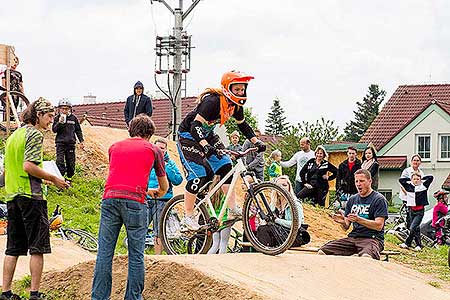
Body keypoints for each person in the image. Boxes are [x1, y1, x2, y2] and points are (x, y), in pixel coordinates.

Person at [176, 71, 266, 231]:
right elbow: (195, 126)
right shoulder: (212, 101)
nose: (240, 93)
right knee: (198, 175)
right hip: (188, 135)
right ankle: (187, 216)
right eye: (236, 89)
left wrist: (256, 141)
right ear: (227, 88)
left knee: (226, 166)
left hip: (208, 134)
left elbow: (243, 126)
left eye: (242, 90)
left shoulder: (236, 106)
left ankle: (232, 209)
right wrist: (204, 145)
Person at [91, 114, 168, 300]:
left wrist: (144, 189)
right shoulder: (153, 149)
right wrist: (156, 191)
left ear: (130, 130)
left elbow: (122, 175)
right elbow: (164, 186)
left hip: (110, 198)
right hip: (135, 202)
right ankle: (133, 297)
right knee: (136, 254)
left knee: (104, 252)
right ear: (150, 134)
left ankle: (99, 297)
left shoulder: (114, 147)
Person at [1, 98, 69, 300]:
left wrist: (42, 179)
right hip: (31, 198)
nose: (51, 121)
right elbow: (29, 166)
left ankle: (5, 292)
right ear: (38, 115)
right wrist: (54, 178)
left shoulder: (14, 136)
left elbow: (6, 173)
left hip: (12, 197)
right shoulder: (34, 135)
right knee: (37, 248)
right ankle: (35, 294)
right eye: (49, 116)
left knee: (12, 248)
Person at [319, 169, 388, 260]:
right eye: (356, 181)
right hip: (353, 238)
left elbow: (379, 226)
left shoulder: (379, 199)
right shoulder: (352, 199)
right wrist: (342, 222)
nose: (358, 184)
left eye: (362, 181)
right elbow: (346, 227)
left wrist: (359, 219)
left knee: (366, 258)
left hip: (372, 239)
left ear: (370, 181)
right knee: (322, 252)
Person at [146, 138, 183, 255]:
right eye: (157, 148)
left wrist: (166, 168)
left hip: (163, 200)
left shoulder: (170, 163)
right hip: (146, 199)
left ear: (166, 150)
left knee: (159, 230)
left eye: (162, 148)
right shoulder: (147, 161)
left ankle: (158, 257)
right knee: (140, 227)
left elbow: (178, 180)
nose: (160, 150)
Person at [256, 175, 310, 247]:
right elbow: (268, 218)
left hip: (294, 235)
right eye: (278, 185)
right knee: (257, 230)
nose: (281, 187)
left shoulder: (295, 204)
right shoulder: (274, 204)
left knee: (263, 230)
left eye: (284, 185)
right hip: (280, 233)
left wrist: (277, 220)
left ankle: (264, 252)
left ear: (289, 188)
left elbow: (297, 225)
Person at [398, 173, 433, 251]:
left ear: (420, 180)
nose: (416, 181)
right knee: (416, 228)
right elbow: (401, 180)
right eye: (414, 179)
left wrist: (422, 178)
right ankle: (418, 245)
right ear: (411, 180)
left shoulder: (423, 187)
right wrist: (410, 179)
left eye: (417, 179)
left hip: (419, 211)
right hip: (411, 210)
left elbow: (430, 177)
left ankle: (407, 243)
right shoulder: (409, 187)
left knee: (412, 228)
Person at [52, 99, 84, 183]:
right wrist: (59, 123)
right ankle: (60, 178)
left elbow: (78, 130)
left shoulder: (73, 118)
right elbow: (54, 130)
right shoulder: (57, 118)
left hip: (70, 144)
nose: (64, 110)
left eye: (66, 109)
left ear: (70, 109)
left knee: (71, 163)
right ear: (59, 109)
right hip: (60, 143)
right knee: (60, 161)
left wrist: (81, 141)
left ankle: (69, 177)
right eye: (62, 108)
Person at [207, 189, 231, 254]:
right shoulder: (225, 194)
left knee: (215, 244)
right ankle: (222, 261)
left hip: (215, 223)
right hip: (224, 221)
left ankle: (207, 260)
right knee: (224, 243)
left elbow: (209, 210)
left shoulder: (212, 195)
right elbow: (229, 207)